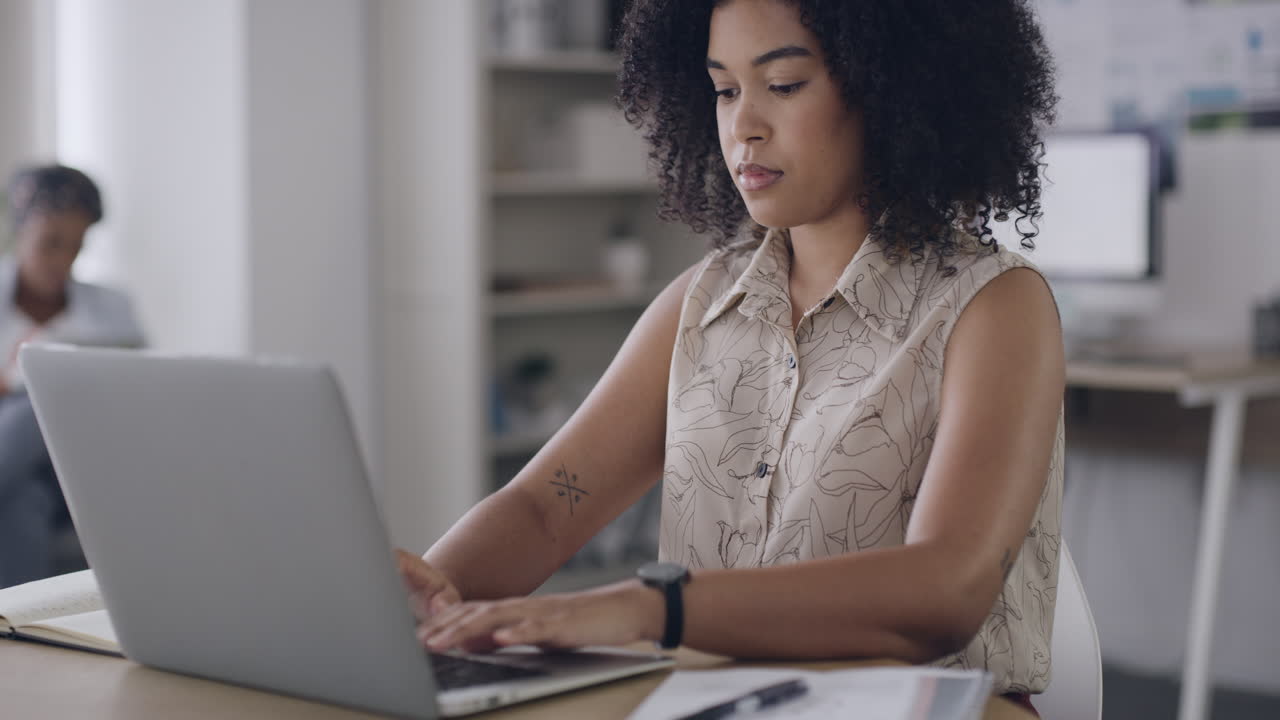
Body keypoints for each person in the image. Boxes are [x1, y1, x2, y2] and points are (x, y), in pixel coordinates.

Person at [399, 0, 1062, 710]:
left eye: (782, 86)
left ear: (891, 88)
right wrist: (428, 600)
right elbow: (544, 509)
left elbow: (948, 589)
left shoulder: (994, 307)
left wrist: (653, 608)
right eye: (724, 89)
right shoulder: (701, 302)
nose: (743, 126)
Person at [0, 165, 144, 588]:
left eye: (76, 246)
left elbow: (139, 401)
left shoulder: (114, 311)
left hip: (80, 462)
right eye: (51, 244)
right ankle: (17, 639)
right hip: (21, 467)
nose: (63, 261)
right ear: (20, 230)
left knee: (40, 403)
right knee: (24, 500)